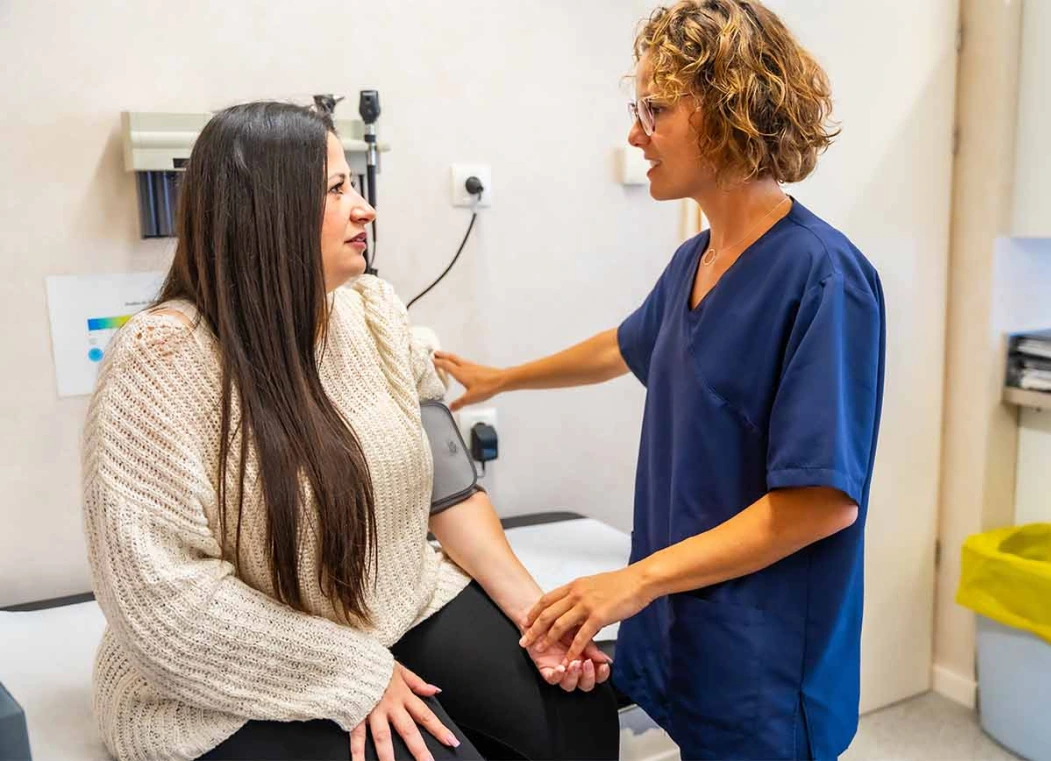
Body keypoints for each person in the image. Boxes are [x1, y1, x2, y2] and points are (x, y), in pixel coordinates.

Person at [82, 101, 617, 761]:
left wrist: (539, 619)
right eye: (337, 189)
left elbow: (449, 493)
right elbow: (163, 602)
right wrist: (356, 673)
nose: (365, 209)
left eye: (354, 184)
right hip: (217, 668)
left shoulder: (376, 314)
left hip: (390, 602)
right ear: (267, 212)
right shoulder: (162, 361)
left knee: (575, 711)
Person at [433, 2, 885, 759]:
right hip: (690, 630)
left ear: (730, 112)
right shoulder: (694, 263)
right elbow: (624, 345)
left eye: (656, 109)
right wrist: (503, 377)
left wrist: (635, 580)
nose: (636, 133)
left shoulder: (823, 276)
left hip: (766, 660)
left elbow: (821, 503)